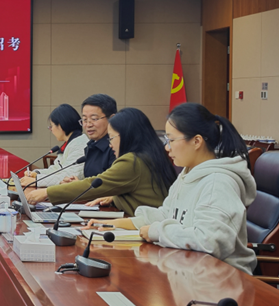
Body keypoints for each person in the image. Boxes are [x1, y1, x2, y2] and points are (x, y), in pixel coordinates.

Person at [86, 103, 257, 275]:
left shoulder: (218, 183)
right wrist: (116, 224)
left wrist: (156, 231)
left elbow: (210, 241)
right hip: (189, 270)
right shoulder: (187, 173)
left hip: (222, 279)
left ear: (196, 141)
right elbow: (167, 214)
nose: (167, 147)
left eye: (171, 140)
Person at [25, 108, 176, 216]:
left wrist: (46, 192)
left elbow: (94, 184)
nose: (110, 144)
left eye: (112, 138)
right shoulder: (148, 155)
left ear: (127, 136)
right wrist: (114, 197)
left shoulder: (132, 161)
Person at [20, 104, 87, 188]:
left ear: (61, 125)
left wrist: (36, 181)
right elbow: (56, 170)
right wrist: (37, 173)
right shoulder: (71, 142)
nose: (51, 130)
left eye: (51, 126)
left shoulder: (80, 145)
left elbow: (70, 177)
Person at [62, 94, 117, 183]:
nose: (88, 125)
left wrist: (80, 186)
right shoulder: (91, 146)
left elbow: (111, 184)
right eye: (84, 119)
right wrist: (75, 184)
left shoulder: (116, 148)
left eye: (94, 119)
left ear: (112, 119)